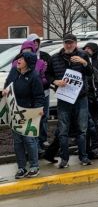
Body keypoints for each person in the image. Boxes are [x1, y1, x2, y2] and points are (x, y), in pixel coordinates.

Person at [48, 33, 93, 169]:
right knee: (63, 130)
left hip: (81, 97)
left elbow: (91, 73)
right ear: (63, 43)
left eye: (71, 42)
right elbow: (47, 75)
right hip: (64, 98)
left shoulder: (83, 55)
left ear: (76, 43)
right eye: (67, 42)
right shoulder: (55, 58)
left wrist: (84, 63)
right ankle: (64, 159)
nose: (69, 45)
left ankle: (83, 157)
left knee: (82, 129)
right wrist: (55, 81)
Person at [3, 49, 44, 179]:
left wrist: (39, 109)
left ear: (29, 62)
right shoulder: (14, 72)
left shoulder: (34, 76)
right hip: (15, 111)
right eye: (18, 58)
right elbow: (7, 86)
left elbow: (39, 96)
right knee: (17, 141)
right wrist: (4, 91)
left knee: (29, 140)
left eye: (22, 59)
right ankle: (21, 167)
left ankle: (34, 166)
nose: (18, 61)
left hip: (29, 112)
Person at [82, 41, 98, 160]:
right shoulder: (81, 61)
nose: (87, 50)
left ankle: (96, 145)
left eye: (89, 48)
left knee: (94, 122)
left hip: (94, 96)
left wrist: (97, 86)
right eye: (85, 48)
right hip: (83, 96)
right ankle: (85, 146)